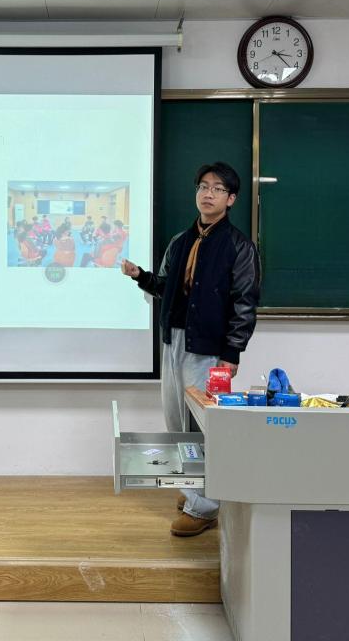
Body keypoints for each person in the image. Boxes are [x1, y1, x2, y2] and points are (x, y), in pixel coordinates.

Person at [120, 162, 260, 537]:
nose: (207, 193)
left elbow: (245, 303)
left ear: (231, 199)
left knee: (202, 427)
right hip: (174, 341)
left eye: (217, 188)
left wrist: (231, 355)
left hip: (209, 347)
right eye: (202, 187)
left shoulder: (239, 247)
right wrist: (141, 277)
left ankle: (206, 508)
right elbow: (167, 287)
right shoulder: (181, 241)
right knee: (176, 421)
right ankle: (192, 489)